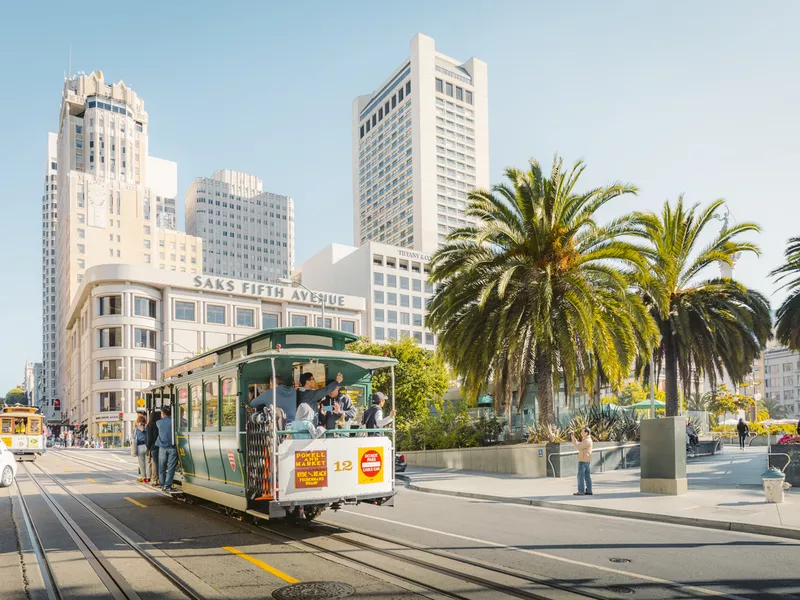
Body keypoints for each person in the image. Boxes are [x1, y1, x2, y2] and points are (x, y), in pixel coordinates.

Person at [156, 405, 178, 492]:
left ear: (163, 413)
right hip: (172, 447)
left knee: (162, 467)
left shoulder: (158, 423)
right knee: (171, 467)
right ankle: (168, 486)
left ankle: (162, 485)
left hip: (162, 448)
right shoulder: (175, 422)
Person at [571, 427, 593, 496]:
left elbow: (579, 447)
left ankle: (581, 491)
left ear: (586, 433)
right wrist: (574, 438)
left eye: (582, 432)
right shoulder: (586, 440)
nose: (581, 433)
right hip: (586, 460)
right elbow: (579, 445)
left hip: (583, 460)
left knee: (580, 476)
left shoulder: (587, 441)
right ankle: (589, 491)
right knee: (587, 476)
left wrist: (573, 440)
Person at [145, 410, 160, 487]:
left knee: (155, 463)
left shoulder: (149, 426)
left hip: (153, 447)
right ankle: (160, 479)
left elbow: (149, 438)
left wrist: (148, 448)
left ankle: (155, 479)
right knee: (161, 463)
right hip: (161, 446)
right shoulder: (160, 424)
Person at [135, 415, 150, 482]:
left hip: (139, 447)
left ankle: (144, 478)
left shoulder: (136, 429)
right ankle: (149, 477)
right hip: (146, 446)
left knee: (141, 463)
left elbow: (133, 438)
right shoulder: (147, 428)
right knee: (148, 462)